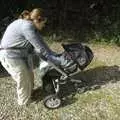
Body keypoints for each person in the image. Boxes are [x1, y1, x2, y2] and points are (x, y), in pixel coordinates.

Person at [0, 8, 63, 106]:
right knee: (23, 77)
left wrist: (53, 54)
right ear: (38, 19)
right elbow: (40, 48)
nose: (44, 25)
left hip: (21, 54)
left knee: (30, 74)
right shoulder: (27, 26)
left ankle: (30, 93)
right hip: (10, 55)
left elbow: (42, 43)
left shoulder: (31, 26)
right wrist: (55, 60)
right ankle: (24, 102)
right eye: (43, 23)